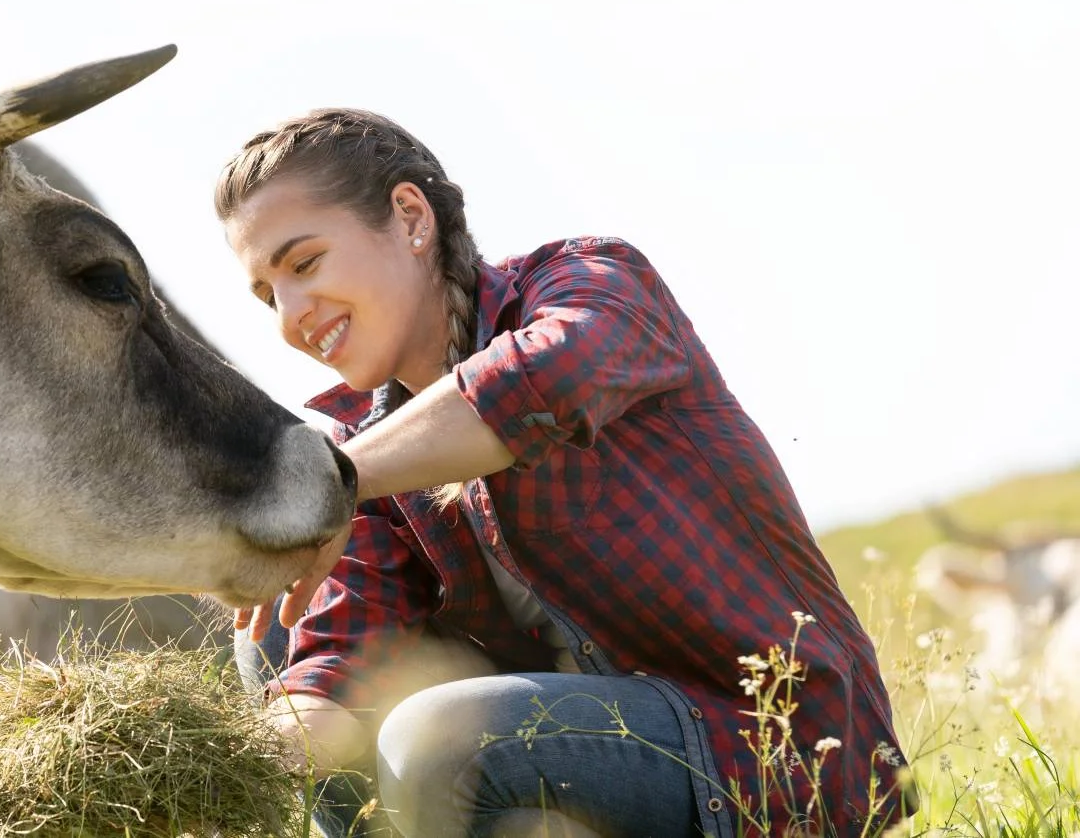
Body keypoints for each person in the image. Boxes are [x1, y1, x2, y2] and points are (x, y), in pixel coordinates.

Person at [213, 108, 909, 838]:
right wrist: (241, 761)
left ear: (411, 218)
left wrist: (337, 480)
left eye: (304, 264)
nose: (290, 316)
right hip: (578, 765)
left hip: (769, 743)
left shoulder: (593, 283)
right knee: (278, 636)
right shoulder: (366, 445)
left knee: (439, 740)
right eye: (268, 295)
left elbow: (544, 377)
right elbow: (338, 661)